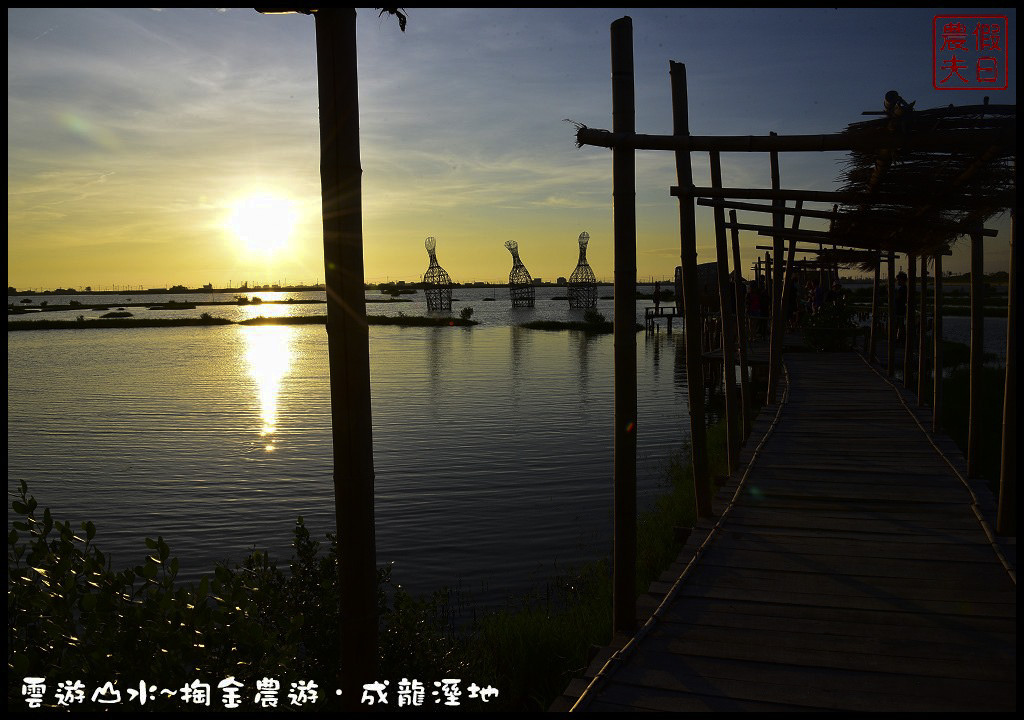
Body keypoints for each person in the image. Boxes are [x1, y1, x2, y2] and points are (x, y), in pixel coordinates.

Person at [893, 271, 908, 341]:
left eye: (898, 280)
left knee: (900, 325)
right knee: (898, 325)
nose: (897, 281)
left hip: (900, 309)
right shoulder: (901, 287)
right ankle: (898, 338)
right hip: (898, 308)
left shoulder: (903, 288)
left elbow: (897, 297)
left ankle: (899, 339)